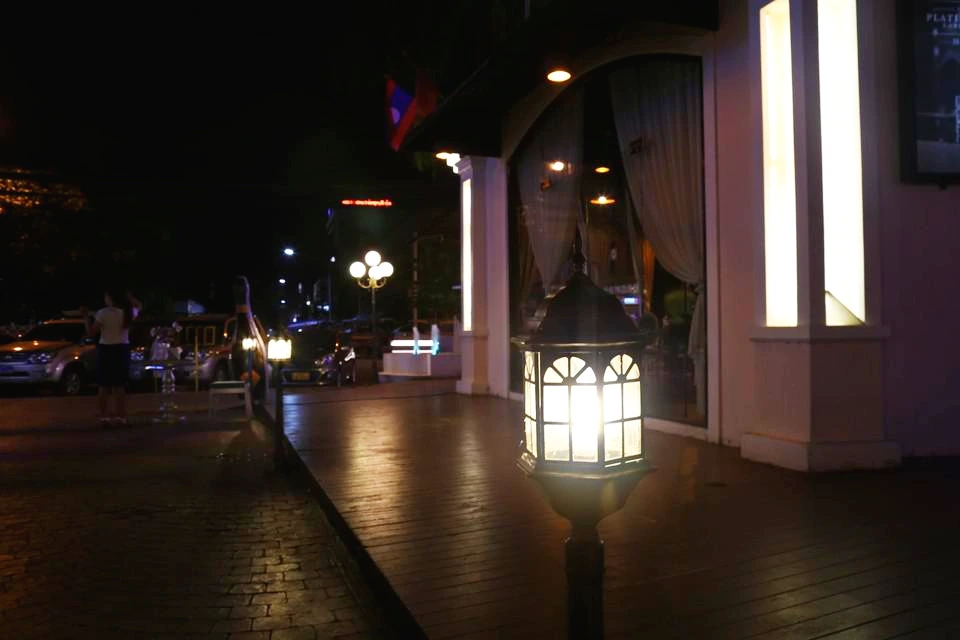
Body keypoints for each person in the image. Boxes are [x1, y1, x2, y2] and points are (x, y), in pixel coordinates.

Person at [82, 289, 142, 425]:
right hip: (122, 350)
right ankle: (121, 416)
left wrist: (85, 317)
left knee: (103, 385)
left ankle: (104, 416)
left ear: (110, 298)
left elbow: (91, 333)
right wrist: (130, 298)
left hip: (106, 349)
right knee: (119, 386)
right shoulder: (127, 312)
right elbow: (139, 306)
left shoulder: (103, 313)